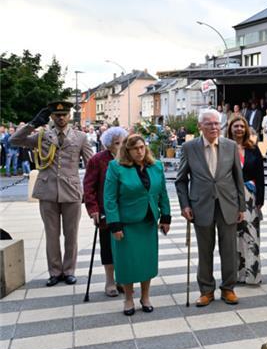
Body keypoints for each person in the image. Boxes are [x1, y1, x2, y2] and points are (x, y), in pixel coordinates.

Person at [11, 101, 94, 286]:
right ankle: (55, 272)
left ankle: (69, 271)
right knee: (51, 235)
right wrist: (32, 124)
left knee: (71, 235)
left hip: (71, 191)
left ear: (69, 116)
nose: (61, 118)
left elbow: (92, 165)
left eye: (64, 114)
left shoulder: (80, 137)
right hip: (48, 191)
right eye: (57, 115)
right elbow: (14, 140)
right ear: (52, 117)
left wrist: (93, 190)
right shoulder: (42, 136)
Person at [176, 108, 246, 307]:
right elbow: (181, 180)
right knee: (205, 251)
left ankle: (228, 288)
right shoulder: (189, 148)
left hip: (228, 205)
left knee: (229, 250)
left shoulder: (230, 146)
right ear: (200, 126)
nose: (214, 127)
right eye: (209, 124)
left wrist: (241, 206)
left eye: (217, 123)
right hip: (201, 206)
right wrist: (185, 205)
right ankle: (206, 291)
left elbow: (238, 178)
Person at [104, 134, 171, 315]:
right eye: (135, 149)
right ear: (127, 150)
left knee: (146, 261)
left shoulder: (156, 166)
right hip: (126, 223)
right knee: (127, 262)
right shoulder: (116, 167)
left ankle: (145, 296)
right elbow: (109, 198)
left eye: (142, 147)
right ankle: (128, 298)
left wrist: (166, 216)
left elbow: (162, 193)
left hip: (148, 222)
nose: (139, 151)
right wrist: (114, 224)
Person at [83, 126, 128, 297]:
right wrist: (93, 209)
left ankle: (122, 279)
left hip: (127, 210)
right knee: (108, 247)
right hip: (106, 211)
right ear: (108, 145)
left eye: (123, 142)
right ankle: (110, 281)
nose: (121, 146)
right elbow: (89, 186)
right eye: (117, 143)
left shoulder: (129, 158)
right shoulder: (98, 160)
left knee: (124, 246)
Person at [226, 115, 265, 285]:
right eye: (236, 126)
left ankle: (252, 275)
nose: (239, 129)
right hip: (230, 196)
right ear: (230, 129)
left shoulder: (253, 148)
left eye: (242, 126)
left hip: (250, 197)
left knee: (251, 235)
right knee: (233, 236)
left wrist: (260, 200)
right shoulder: (224, 148)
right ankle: (235, 274)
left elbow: (260, 175)